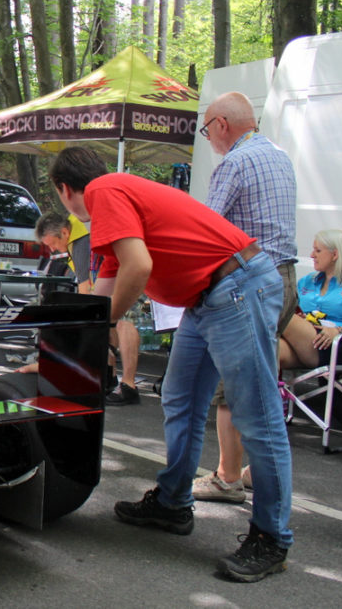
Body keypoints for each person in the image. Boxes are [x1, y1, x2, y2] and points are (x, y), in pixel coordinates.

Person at [49, 146, 292, 583]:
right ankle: (173, 502)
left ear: (65, 190)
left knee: (258, 417)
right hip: (206, 298)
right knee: (179, 399)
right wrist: (63, 349)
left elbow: (137, 268)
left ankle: (271, 539)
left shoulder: (105, 192)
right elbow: (98, 300)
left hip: (236, 286)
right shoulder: (112, 215)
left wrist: (107, 325)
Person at [192, 91, 298, 505]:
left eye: (207, 130)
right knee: (261, 382)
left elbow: (207, 231)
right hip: (284, 278)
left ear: (221, 125)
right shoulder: (278, 154)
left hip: (249, 283)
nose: (210, 140)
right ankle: (257, 471)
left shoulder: (234, 162)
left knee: (230, 386)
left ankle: (227, 477)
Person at [21, 212, 142, 405]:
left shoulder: (80, 243)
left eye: (53, 244)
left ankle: (128, 386)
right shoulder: (76, 227)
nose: (52, 250)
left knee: (123, 322)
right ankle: (109, 377)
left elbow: (84, 290)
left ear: (64, 232)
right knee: (106, 321)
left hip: (127, 273)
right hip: (114, 274)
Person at [279, 229, 342, 371]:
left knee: (281, 314)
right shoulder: (307, 281)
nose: (312, 255)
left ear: (335, 254)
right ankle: (271, 393)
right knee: (269, 351)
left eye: (318, 251)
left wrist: (338, 330)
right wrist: (302, 318)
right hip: (308, 343)